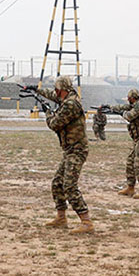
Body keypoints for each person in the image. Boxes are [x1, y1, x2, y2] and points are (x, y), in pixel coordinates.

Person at [36, 75, 93, 233]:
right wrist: (36, 91)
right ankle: (61, 218)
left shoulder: (70, 104)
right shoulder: (67, 97)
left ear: (62, 90)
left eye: (57, 90)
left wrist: (47, 113)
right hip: (70, 150)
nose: (55, 92)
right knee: (57, 183)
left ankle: (86, 222)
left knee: (69, 185)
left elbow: (55, 124)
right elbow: (53, 95)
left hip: (77, 150)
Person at [111, 88, 139, 199]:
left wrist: (122, 113)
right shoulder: (135, 105)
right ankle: (130, 188)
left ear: (132, 98)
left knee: (138, 164)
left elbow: (129, 116)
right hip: (137, 139)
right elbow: (123, 107)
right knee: (130, 162)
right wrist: (110, 108)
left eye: (129, 99)